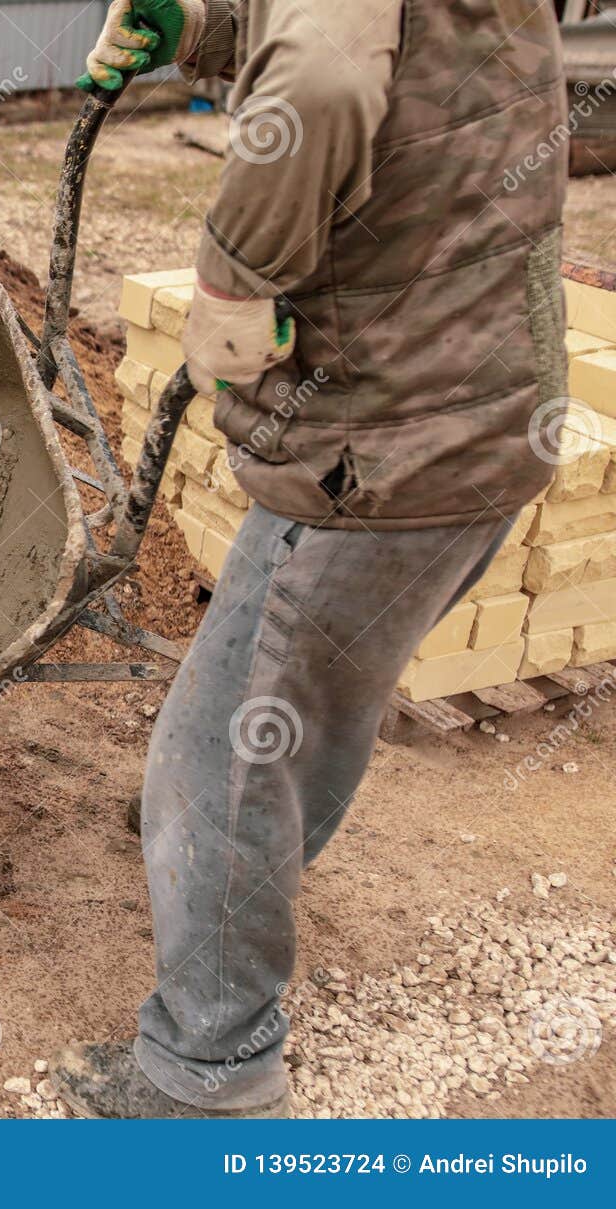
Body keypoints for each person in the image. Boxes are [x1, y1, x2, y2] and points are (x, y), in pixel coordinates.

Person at [50, 0, 570, 1117]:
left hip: (378, 448)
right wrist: (206, 29)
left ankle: (207, 1077)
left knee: (220, 758)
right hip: (484, 418)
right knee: (311, 712)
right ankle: (234, 888)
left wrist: (232, 284)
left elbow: (327, 77)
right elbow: (396, 52)